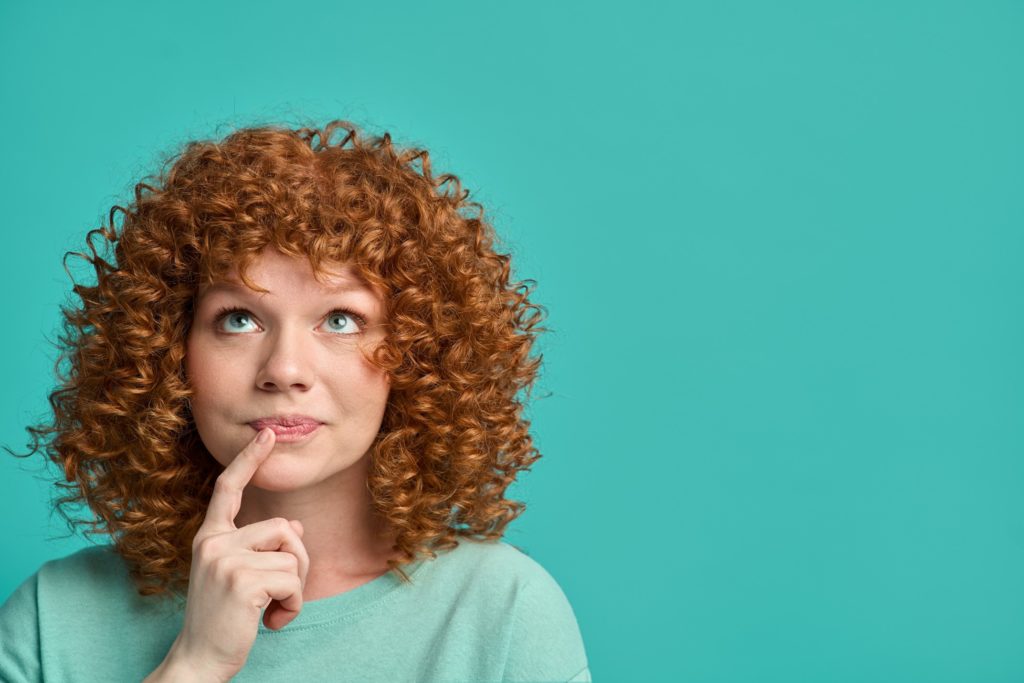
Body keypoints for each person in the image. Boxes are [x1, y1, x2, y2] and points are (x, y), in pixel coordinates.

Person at [0, 120, 591, 682]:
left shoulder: (503, 613)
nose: (284, 370)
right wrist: (193, 665)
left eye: (340, 320)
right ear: (168, 352)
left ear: (417, 355)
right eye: (238, 319)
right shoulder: (53, 620)